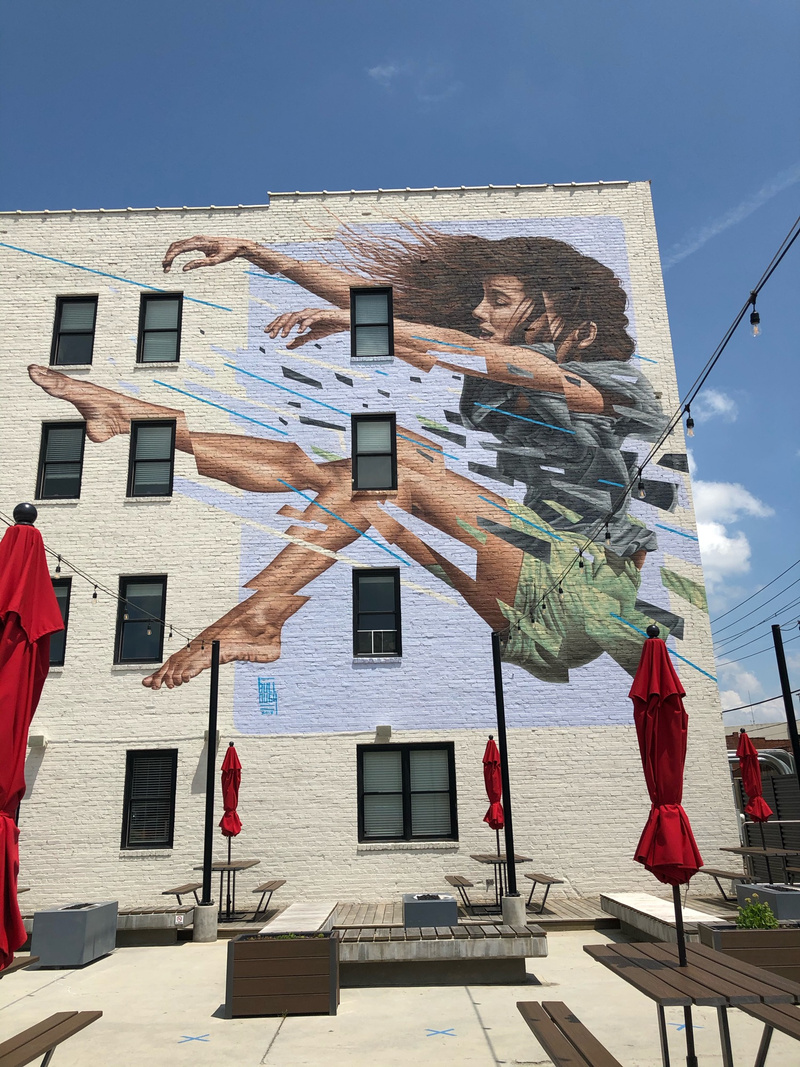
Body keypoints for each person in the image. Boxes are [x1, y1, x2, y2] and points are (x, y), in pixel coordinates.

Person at [28, 225, 669, 689]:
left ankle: (260, 618)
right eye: (483, 298)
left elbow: (522, 366)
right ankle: (157, 427)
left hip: (580, 587)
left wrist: (375, 326)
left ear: (572, 324)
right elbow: (386, 311)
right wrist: (263, 255)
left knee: (393, 463)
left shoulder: (610, 380)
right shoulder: (491, 357)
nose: (480, 312)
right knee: (351, 472)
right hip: (533, 587)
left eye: (498, 301)